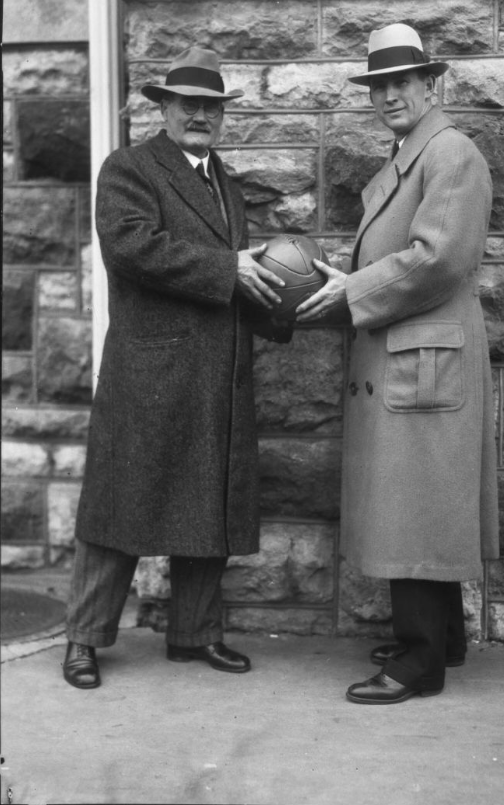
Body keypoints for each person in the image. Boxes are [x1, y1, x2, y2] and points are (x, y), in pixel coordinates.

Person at [63, 46, 289, 689]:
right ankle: (82, 639)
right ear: (162, 108)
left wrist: (285, 307)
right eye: (187, 104)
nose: (200, 116)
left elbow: (242, 275)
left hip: (218, 371)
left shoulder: (229, 184)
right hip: (150, 371)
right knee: (118, 509)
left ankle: (194, 634)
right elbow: (133, 246)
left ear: (222, 116)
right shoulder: (128, 169)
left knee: (208, 507)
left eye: (211, 106)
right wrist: (230, 268)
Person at [297, 23, 499, 704]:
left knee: (415, 504)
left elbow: (439, 258)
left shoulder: (451, 155)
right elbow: (398, 254)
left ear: (429, 83)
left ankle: (419, 662)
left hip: (425, 359)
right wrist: (345, 275)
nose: (389, 95)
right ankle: (441, 639)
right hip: (412, 356)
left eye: (401, 82)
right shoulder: (410, 157)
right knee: (415, 499)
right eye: (378, 85)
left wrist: (351, 289)